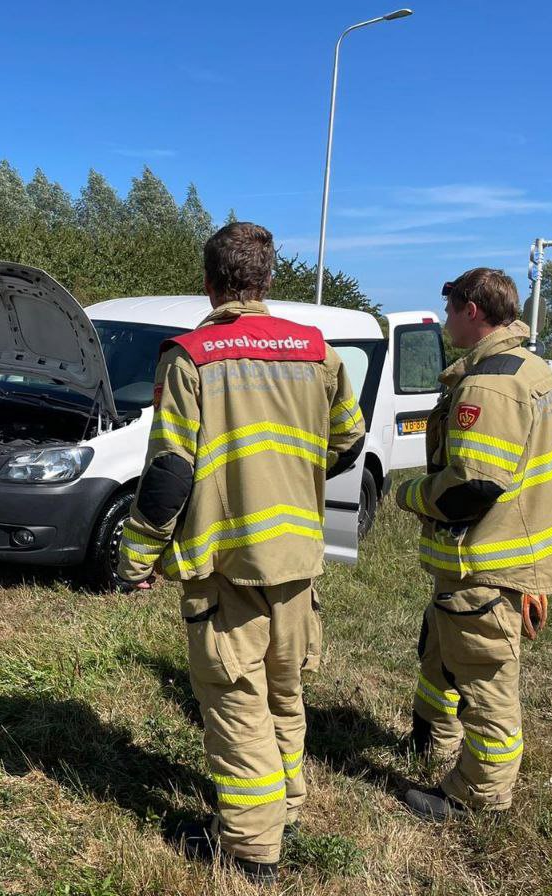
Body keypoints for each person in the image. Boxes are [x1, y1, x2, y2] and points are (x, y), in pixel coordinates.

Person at [115, 222, 366, 884]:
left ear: (209, 282)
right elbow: (350, 440)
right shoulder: (318, 352)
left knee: (237, 705)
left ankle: (251, 850)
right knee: (285, 694)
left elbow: (169, 473)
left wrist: (136, 557)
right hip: (298, 563)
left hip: (226, 564)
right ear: (267, 280)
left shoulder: (192, 357)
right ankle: (285, 809)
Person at [396, 268, 552, 821]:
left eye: (452, 310)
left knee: (485, 683)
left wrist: (412, 494)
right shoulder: (526, 368)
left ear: (473, 310)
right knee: (442, 654)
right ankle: (432, 739)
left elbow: (473, 487)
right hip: (495, 558)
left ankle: (478, 796)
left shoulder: (490, 384)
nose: (446, 321)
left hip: (488, 562)